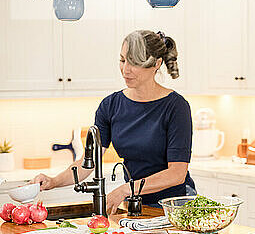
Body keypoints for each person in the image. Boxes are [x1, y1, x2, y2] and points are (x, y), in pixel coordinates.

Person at [33, 30, 195, 214]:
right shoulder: (111, 105)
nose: (126, 69)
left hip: (174, 206)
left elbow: (177, 174)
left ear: (156, 64)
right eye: (123, 60)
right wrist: (53, 181)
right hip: (136, 203)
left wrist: (126, 189)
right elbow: (89, 163)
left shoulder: (176, 107)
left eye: (135, 63)